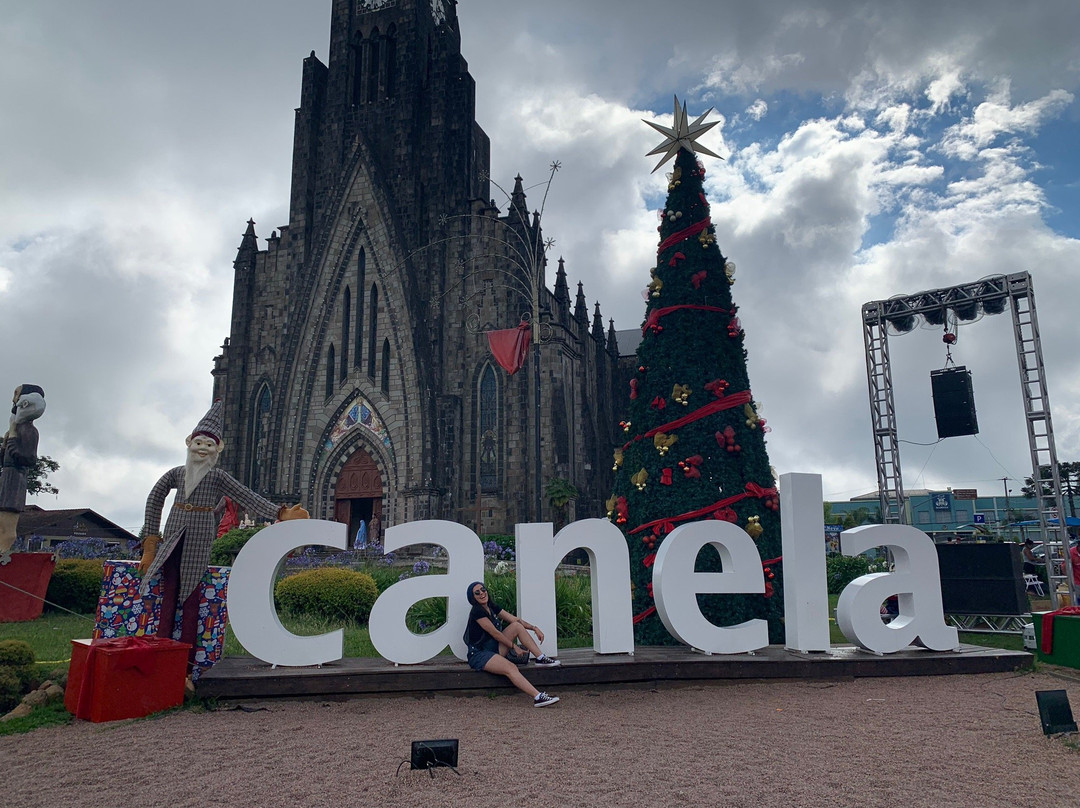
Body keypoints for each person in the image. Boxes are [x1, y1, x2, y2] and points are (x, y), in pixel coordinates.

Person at [139, 400, 309, 672]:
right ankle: (161, 657)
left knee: (191, 595)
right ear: (189, 443)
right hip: (172, 536)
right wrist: (150, 543)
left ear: (217, 449)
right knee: (168, 592)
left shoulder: (217, 476)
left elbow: (246, 496)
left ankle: (186, 666)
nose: (202, 448)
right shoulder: (177, 474)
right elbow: (155, 498)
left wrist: (280, 512)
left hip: (200, 537)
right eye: (198, 443)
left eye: (209, 444)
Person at [464, 581, 561, 707]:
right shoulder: (477, 612)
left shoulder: (491, 606)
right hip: (479, 654)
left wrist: (534, 628)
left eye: (483, 589)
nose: (482, 593)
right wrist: (514, 646)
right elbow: (496, 634)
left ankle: (540, 658)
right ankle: (538, 697)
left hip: (493, 647)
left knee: (516, 626)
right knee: (511, 668)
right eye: (477, 592)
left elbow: (515, 620)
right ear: (473, 598)